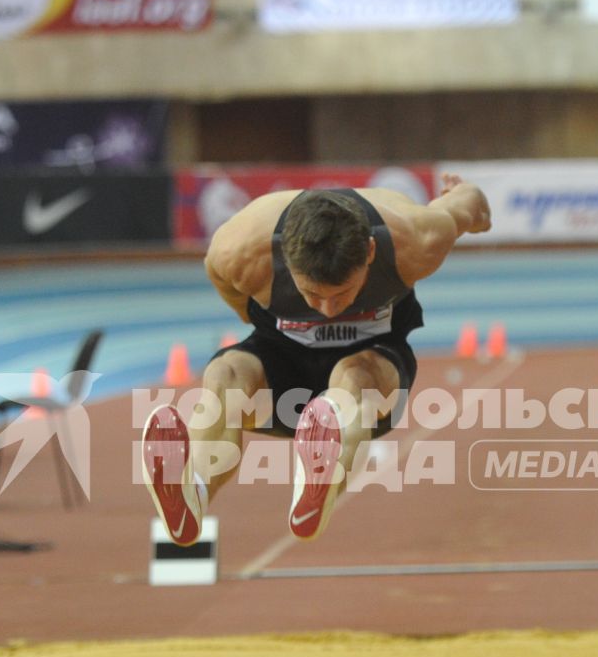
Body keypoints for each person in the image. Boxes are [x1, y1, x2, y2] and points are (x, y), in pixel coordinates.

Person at [142, 175, 492, 546]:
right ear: (284, 260)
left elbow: (470, 203)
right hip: (282, 353)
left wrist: (469, 203)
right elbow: (217, 270)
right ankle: (192, 491)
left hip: (373, 360)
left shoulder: (414, 239)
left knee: (352, 379)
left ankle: (320, 475)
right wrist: (253, 316)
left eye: (343, 294)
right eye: (311, 294)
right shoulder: (242, 251)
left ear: (371, 252)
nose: (328, 309)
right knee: (225, 375)